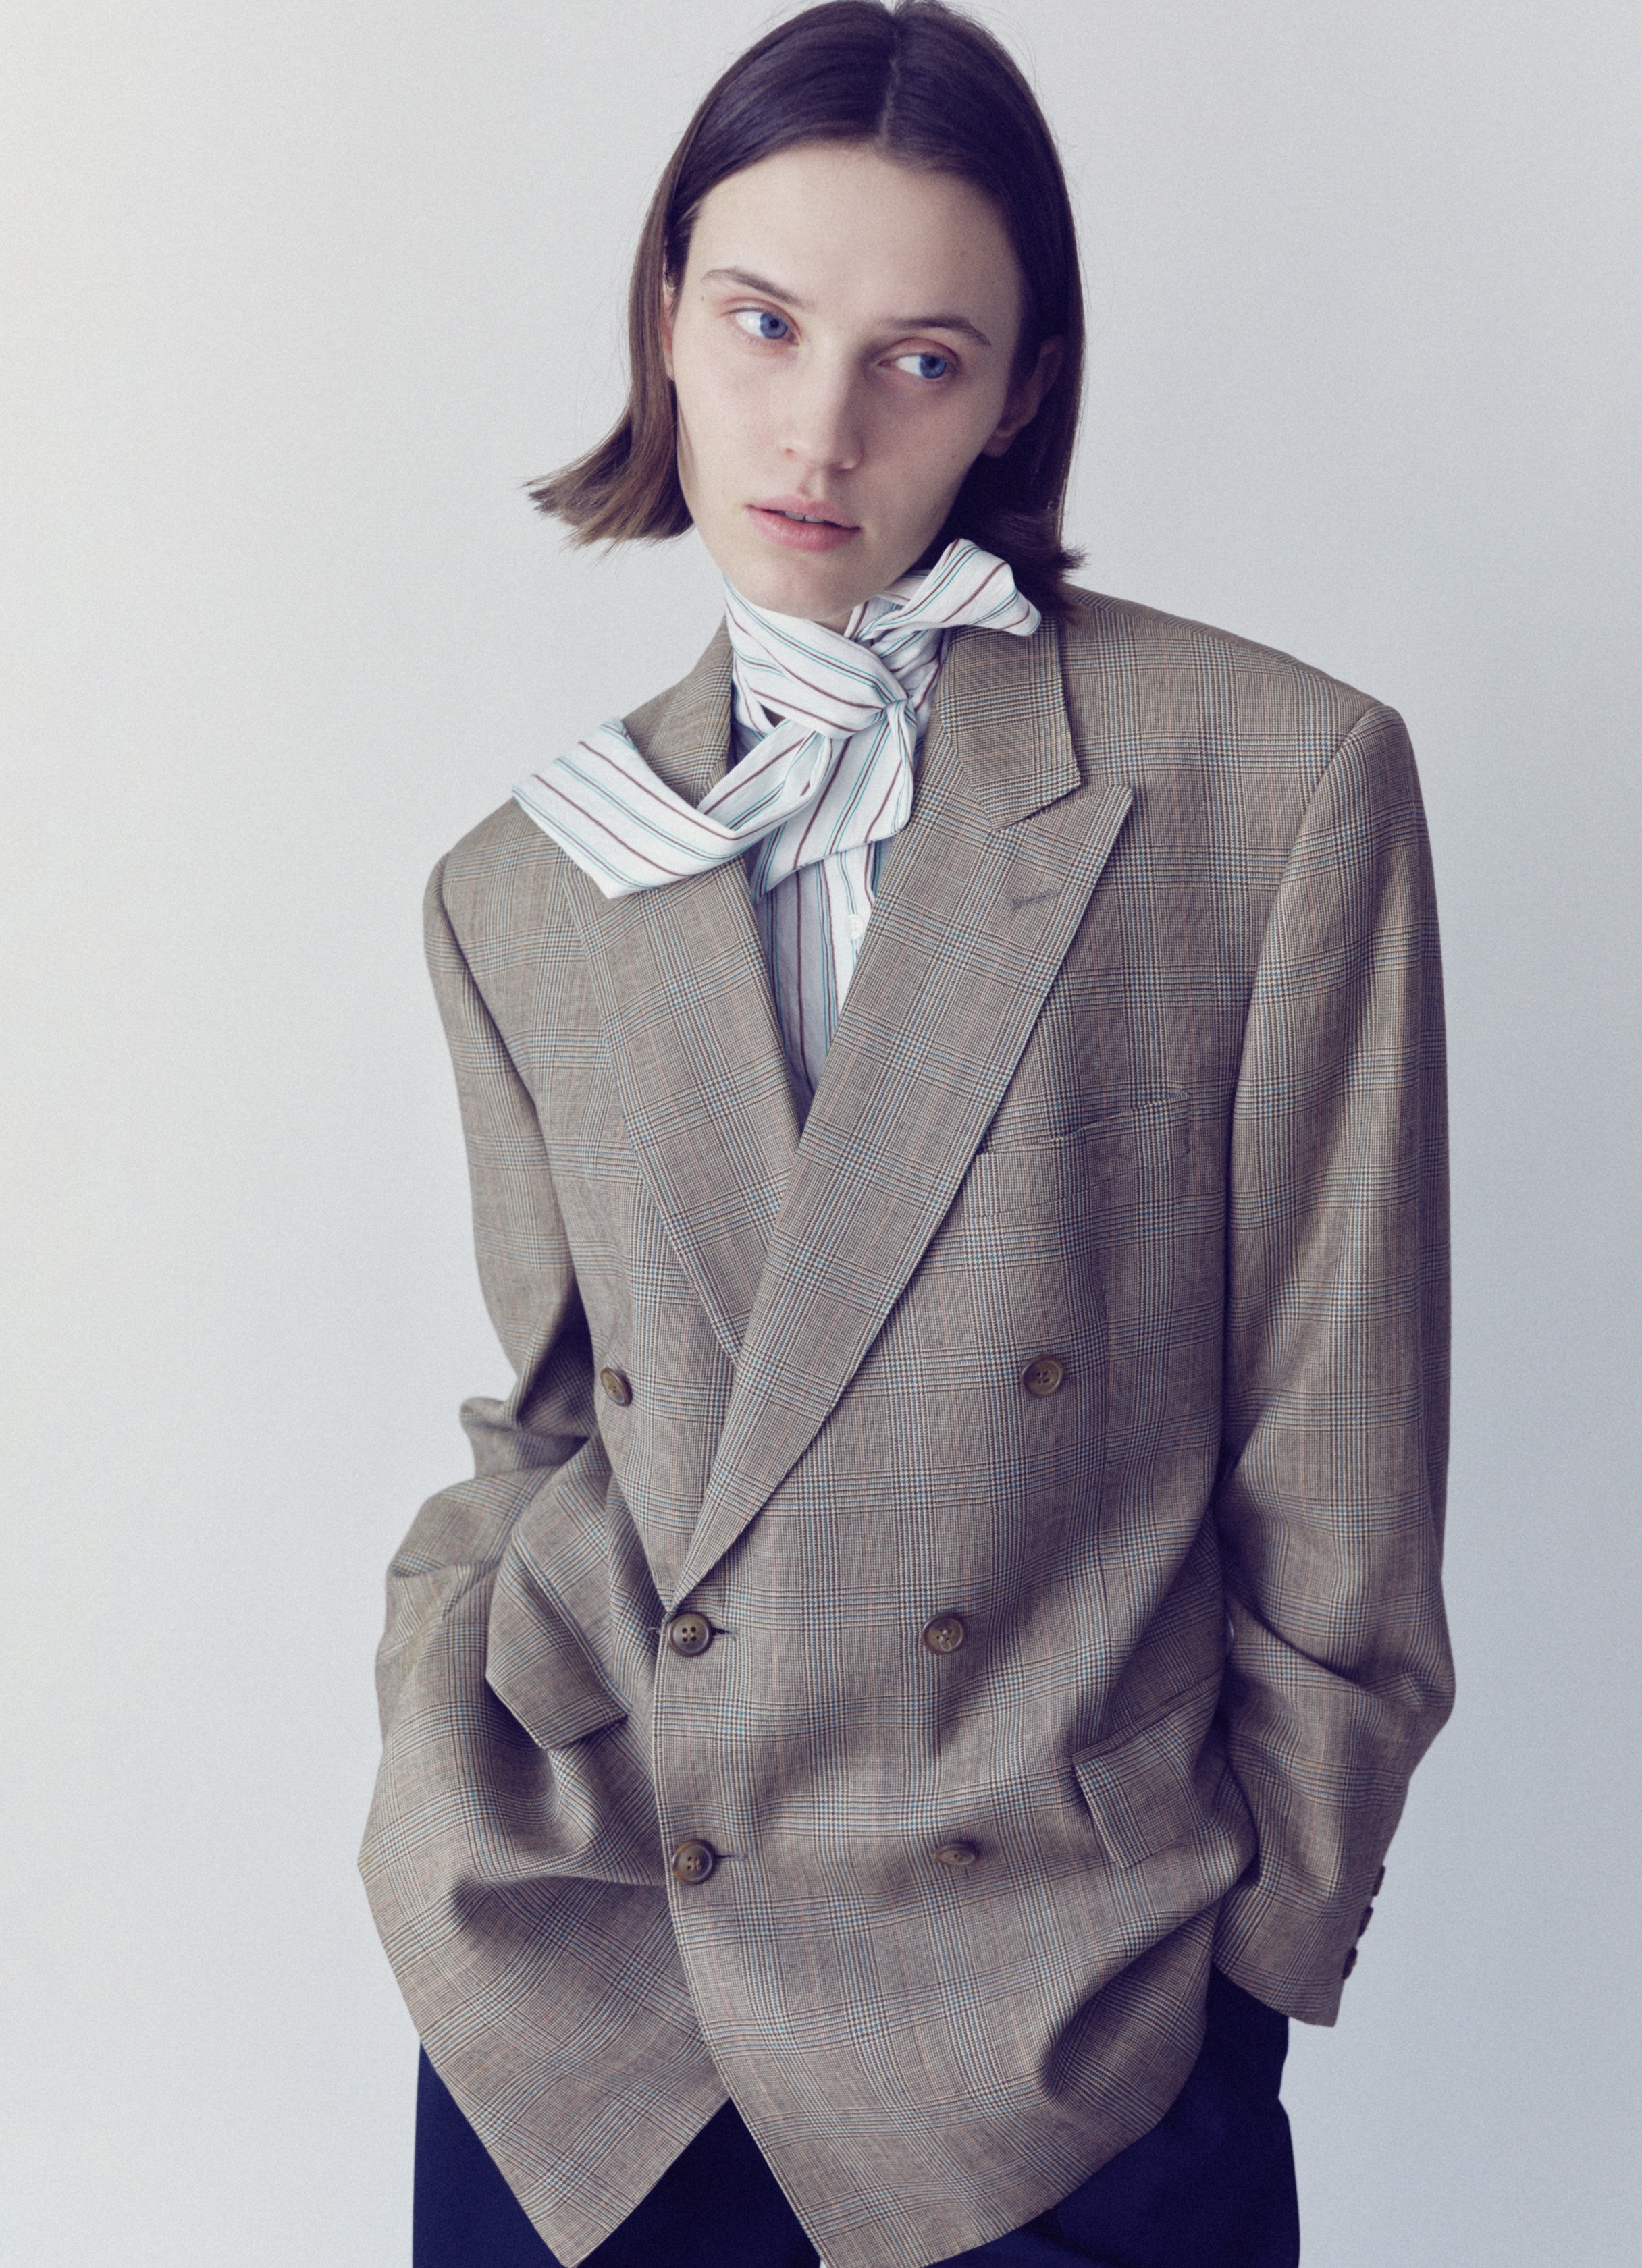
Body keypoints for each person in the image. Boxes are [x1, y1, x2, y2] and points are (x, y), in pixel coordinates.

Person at [359, 5, 1454, 2265]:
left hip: (1055, 2018)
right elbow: (558, 1424)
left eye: (919, 359)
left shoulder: (1271, 783)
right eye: (763, 323)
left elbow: (1339, 1450)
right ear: (668, 314)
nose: (821, 429)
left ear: (1022, 390)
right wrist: (434, 1738)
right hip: (595, 1991)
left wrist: (1254, 1969)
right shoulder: (526, 880)